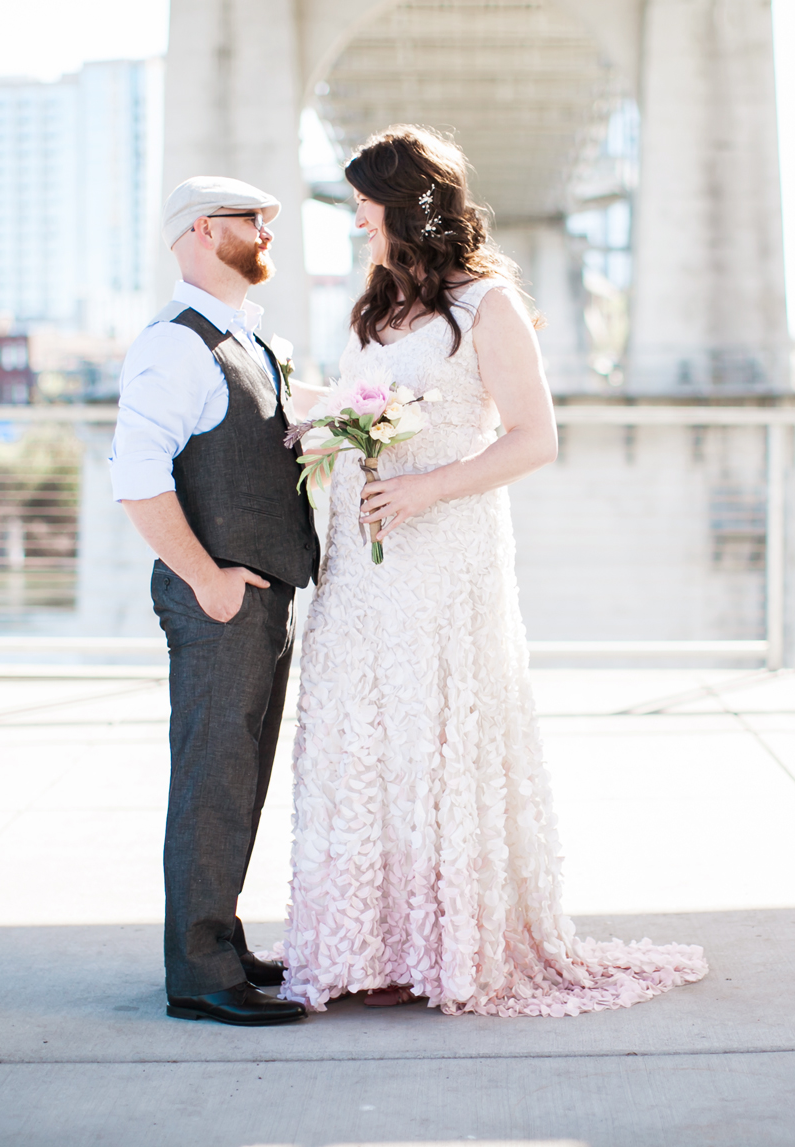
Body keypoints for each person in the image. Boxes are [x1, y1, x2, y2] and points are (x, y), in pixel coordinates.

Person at [279, 126, 708, 1016]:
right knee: (365, 729)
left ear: (406, 205)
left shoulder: (490, 305)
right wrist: (288, 401)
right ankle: (371, 940)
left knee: (435, 727)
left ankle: (449, 943)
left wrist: (429, 486)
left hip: (444, 545)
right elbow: (361, 403)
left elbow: (534, 438)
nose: (355, 215)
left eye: (365, 200)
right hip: (363, 554)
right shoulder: (378, 305)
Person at [110, 176, 318, 1027]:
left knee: (241, 775)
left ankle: (220, 940)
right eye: (251, 220)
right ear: (203, 231)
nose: (268, 230)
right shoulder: (176, 345)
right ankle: (198, 971)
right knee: (212, 778)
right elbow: (135, 477)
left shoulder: (243, 339)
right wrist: (208, 580)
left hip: (259, 597)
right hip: (221, 601)